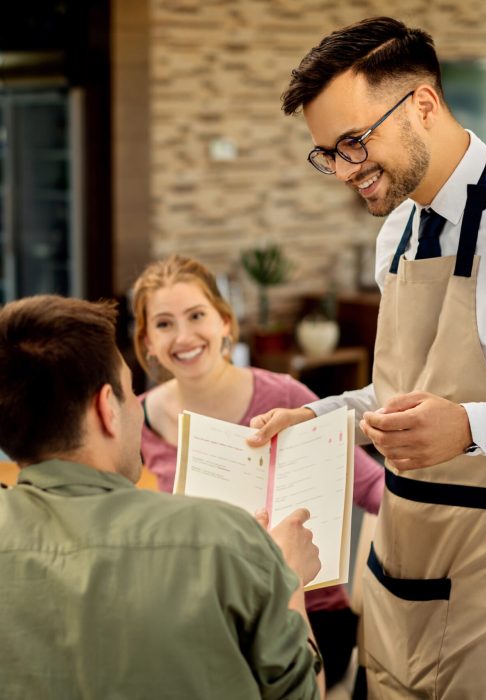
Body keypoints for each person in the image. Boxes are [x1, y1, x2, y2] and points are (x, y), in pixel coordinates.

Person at [247, 16, 486, 698]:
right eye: (327, 152)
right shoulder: (397, 228)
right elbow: (399, 390)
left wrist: (473, 429)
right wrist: (323, 416)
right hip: (400, 550)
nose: (343, 171)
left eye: (355, 142)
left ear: (423, 104)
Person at [0, 295, 325, 699]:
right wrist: (287, 578)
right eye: (128, 391)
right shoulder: (226, 539)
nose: (138, 410)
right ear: (107, 407)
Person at [131, 254, 384, 688]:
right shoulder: (139, 420)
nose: (184, 336)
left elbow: (373, 486)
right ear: (147, 341)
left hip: (310, 611)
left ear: (225, 323)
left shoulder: (283, 397)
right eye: (165, 323)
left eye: (197, 316)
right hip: (206, 612)